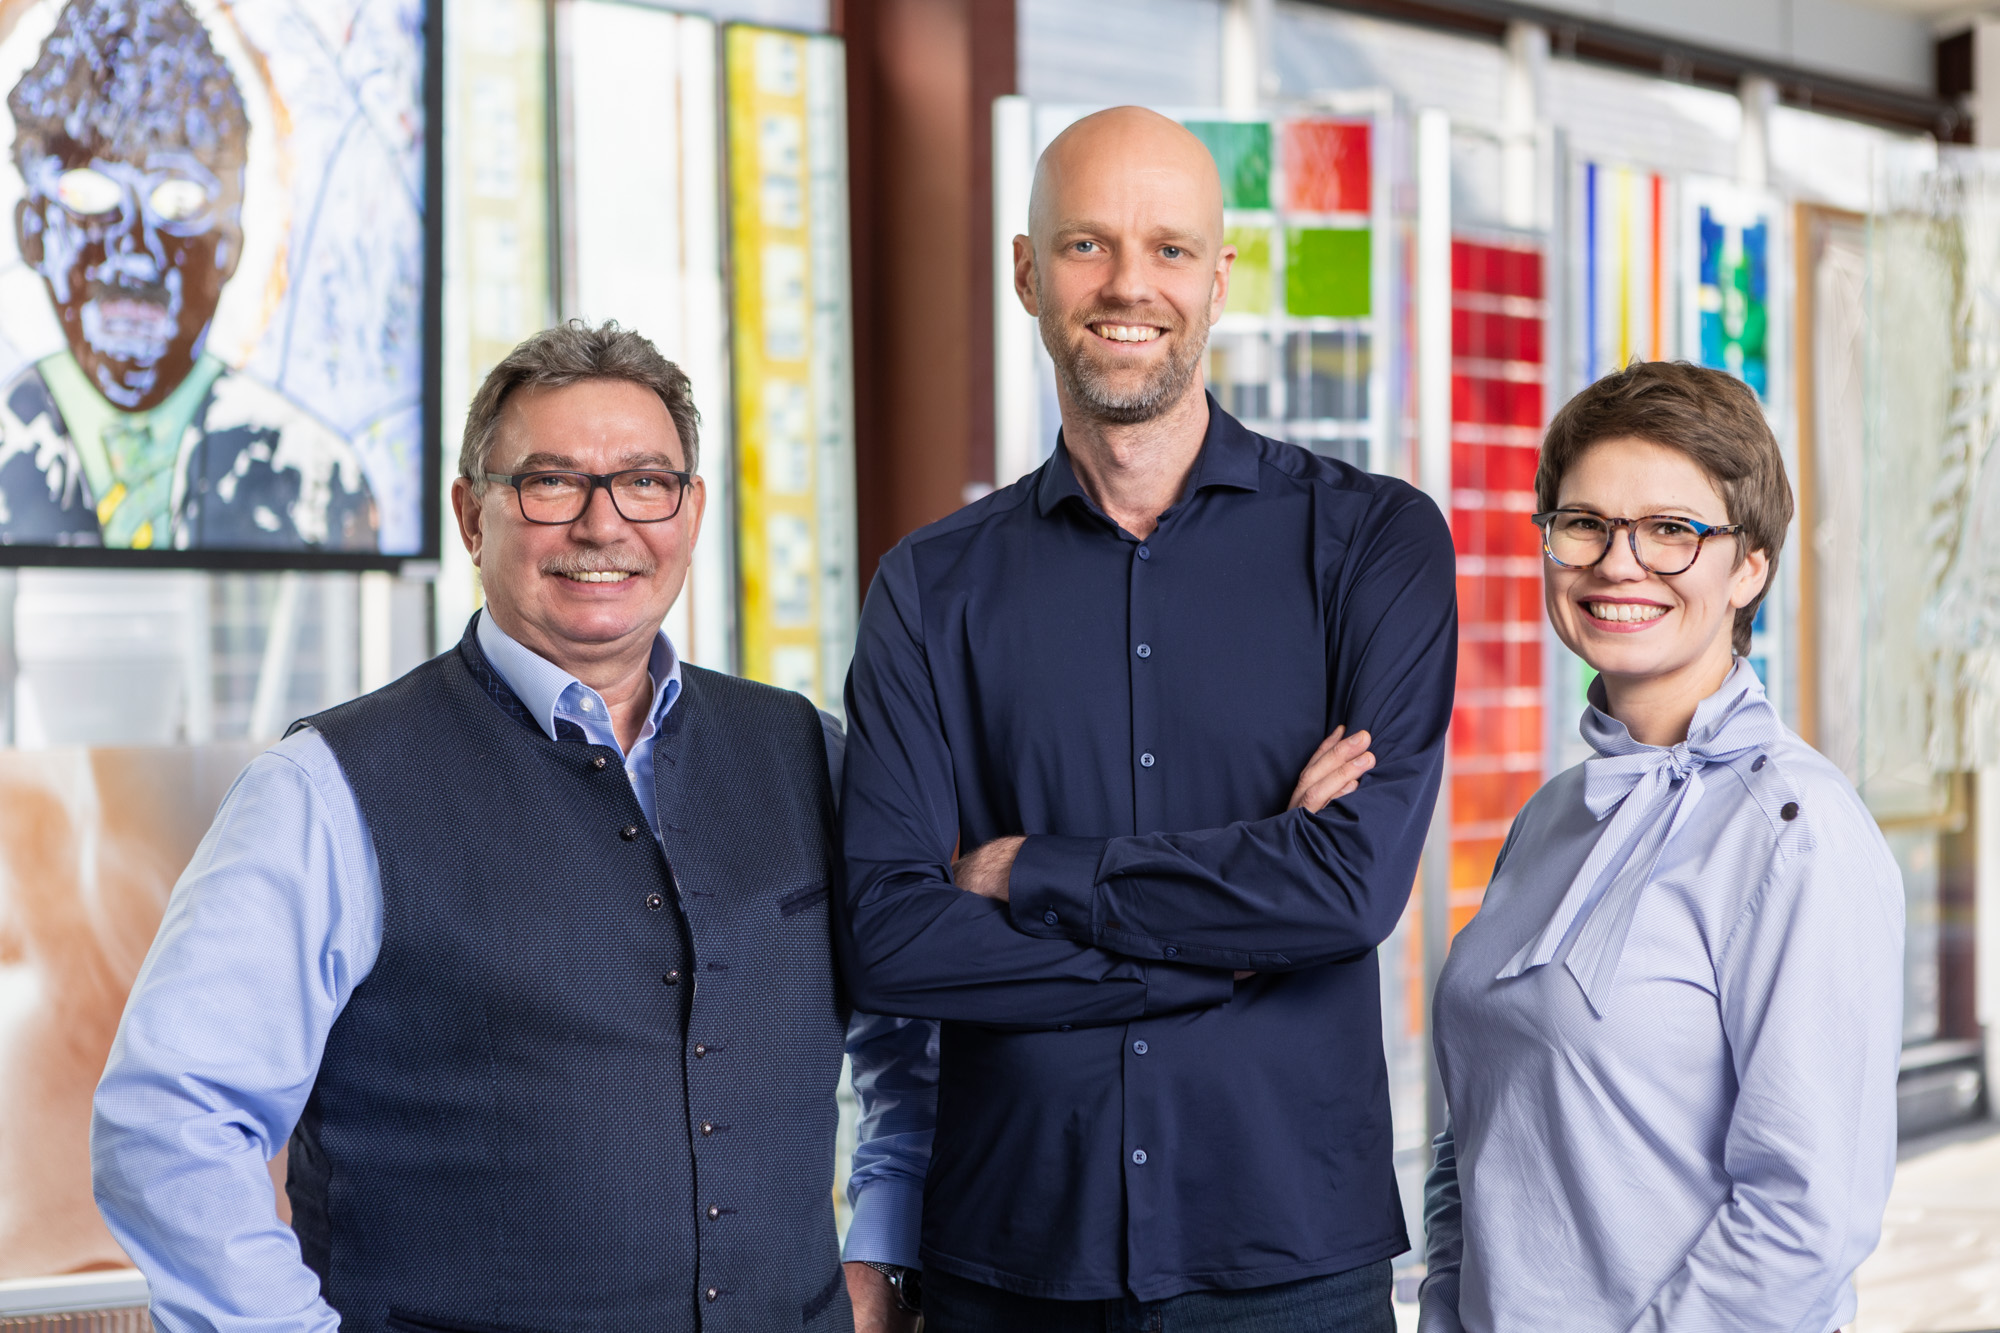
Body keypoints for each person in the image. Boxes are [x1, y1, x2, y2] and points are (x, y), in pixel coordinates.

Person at [92, 322, 930, 1333]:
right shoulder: (324, 791)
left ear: (691, 509)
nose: (600, 522)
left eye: (644, 481)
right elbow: (169, 1118)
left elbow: (912, 1041)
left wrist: (878, 1249)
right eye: (547, 482)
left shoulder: (810, 752)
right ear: (469, 515)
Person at [836, 106, 1456, 1330]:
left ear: (1220, 279)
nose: (1130, 285)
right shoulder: (928, 584)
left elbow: (1343, 893)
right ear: (1024, 271)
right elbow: (891, 936)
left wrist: (1033, 871)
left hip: (1286, 1260)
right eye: (1084, 245)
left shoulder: (1374, 543)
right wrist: (1220, 948)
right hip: (1012, 1259)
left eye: (1169, 248)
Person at [1420, 361, 1902, 1333]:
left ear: (1748, 568)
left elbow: (1800, 1218)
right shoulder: (1552, 815)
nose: (1615, 562)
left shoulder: (1794, 832)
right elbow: (1475, 1136)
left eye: (1670, 531)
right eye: (1583, 523)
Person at [2, 0, 375, 551]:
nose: (133, 252)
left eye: (178, 202)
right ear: (32, 230)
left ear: (230, 244)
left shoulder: (316, 476)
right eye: (91, 196)